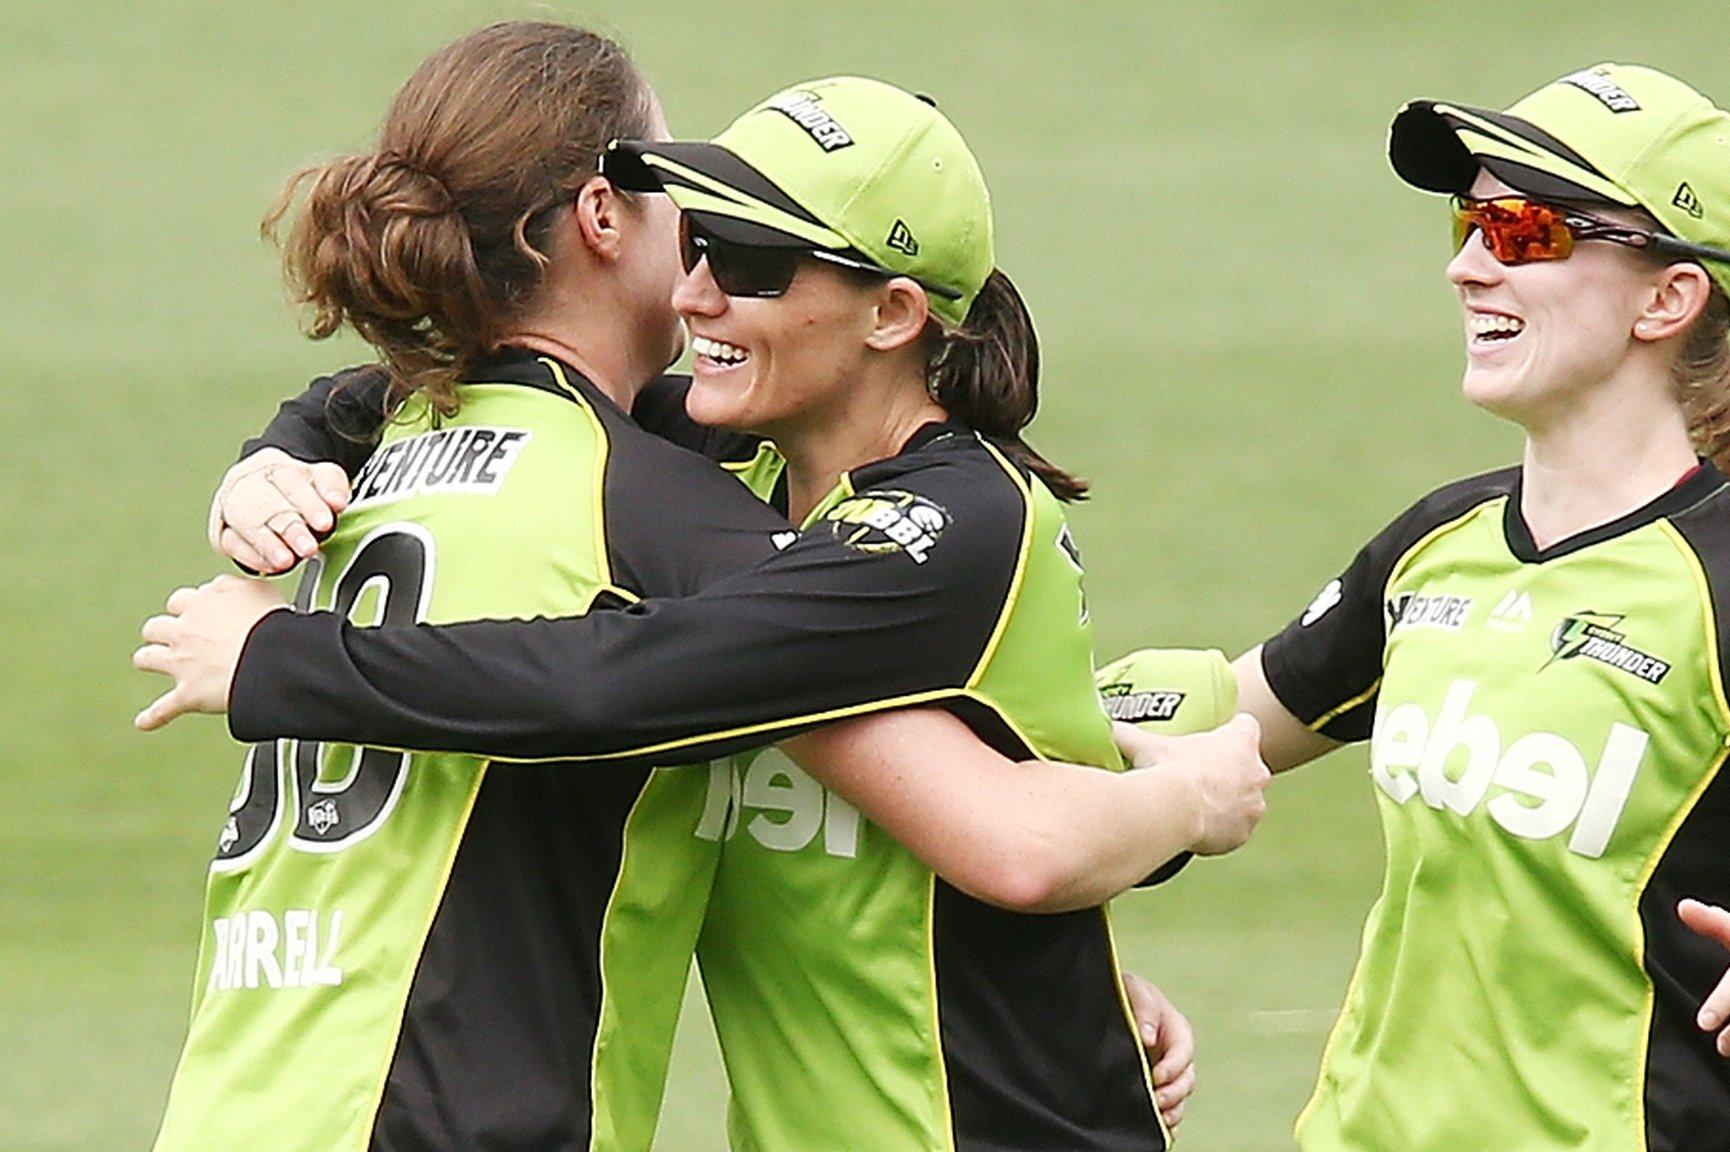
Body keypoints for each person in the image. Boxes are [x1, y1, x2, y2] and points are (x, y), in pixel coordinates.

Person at [138, 41, 1256, 1152]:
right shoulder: (678, 490)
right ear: (598, 219)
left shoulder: (434, 442)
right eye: (696, 228)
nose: (697, 285)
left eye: (746, 255)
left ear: (892, 312)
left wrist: (278, 633)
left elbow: (1003, 834)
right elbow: (976, 820)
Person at [1225, 64, 1730, 1151]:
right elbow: (1216, 726)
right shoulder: (1434, 548)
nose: (1464, 267)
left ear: (1665, 296)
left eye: (1522, 231)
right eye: (1467, 223)